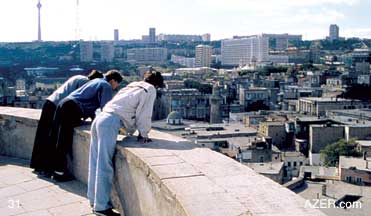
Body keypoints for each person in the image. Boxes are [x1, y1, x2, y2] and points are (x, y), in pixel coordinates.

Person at [87, 71, 163, 216]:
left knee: (95, 162)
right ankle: (101, 207)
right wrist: (144, 134)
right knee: (104, 165)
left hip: (100, 118)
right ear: (157, 84)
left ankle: (93, 199)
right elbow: (144, 114)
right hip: (110, 122)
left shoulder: (132, 85)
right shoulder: (150, 89)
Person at [51, 70, 123, 182]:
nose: (115, 87)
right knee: (64, 141)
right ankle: (59, 172)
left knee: (59, 139)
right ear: (113, 80)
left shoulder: (96, 81)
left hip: (64, 104)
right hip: (72, 108)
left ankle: (55, 170)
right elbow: (106, 108)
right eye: (116, 84)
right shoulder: (106, 86)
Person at [30, 70, 103, 176]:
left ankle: (38, 165)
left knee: (42, 136)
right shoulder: (85, 82)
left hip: (50, 103)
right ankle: (47, 168)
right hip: (56, 107)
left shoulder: (77, 77)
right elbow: (80, 100)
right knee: (52, 138)